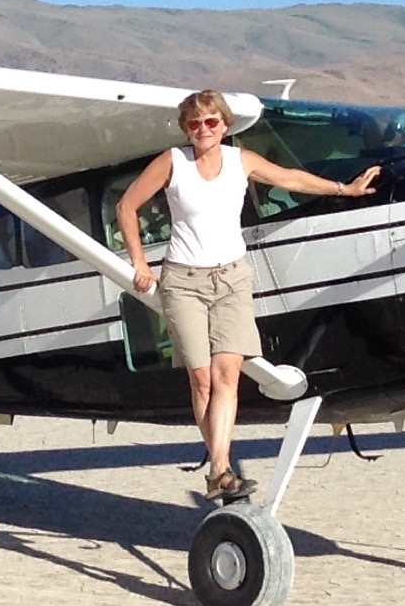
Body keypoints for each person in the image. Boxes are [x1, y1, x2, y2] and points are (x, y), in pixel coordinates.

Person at [116, 90, 381, 504]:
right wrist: (140, 263)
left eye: (211, 122)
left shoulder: (241, 161)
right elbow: (127, 206)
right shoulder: (173, 162)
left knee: (228, 375)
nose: (203, 130)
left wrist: (344, 189)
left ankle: (220, 469)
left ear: (225, 125)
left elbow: (289, 179)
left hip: (232, 279)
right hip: (183, 280)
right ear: (186, 128)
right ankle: (221, 468)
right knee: (201, 379)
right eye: (194, 124)